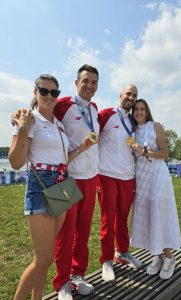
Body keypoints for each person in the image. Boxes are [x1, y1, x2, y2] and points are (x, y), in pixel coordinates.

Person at [12, 65, 99, 299]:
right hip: (41, 185)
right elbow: (16, 162)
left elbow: (63, 158)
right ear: (35, 92)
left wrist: (83, 147)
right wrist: (21, 129)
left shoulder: (58, 125)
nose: (50, 96)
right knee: (42, 258)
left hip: (63, 183)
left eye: (54, 92)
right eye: (44, 91)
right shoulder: (29, 120)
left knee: (48, 256)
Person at [130, 99, 181, 280]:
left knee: (159, 215)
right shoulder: (132, 130)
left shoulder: (156, 126)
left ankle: (169, 257)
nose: (139, 112)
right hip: (142, 178)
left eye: (142, 109)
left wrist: (145, 152)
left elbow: (165, 153)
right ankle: (157, 254)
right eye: (136, 109)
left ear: (147, 111)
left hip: (158, 178)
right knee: (148, 216)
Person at [98, 84, 142, 283]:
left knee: (123, 218)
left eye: (134, 95)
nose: (131, 98)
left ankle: (122, 252)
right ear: (120, 95)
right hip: (107, 175)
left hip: (128, 175)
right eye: (128, 94)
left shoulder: (134, 121)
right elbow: (87, 131)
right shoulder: (106, 114)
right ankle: (107, 261)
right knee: (109, 218)